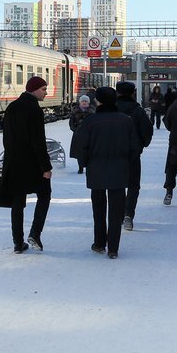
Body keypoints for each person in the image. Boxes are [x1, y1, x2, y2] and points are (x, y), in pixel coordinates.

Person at [72, 86, 141, 259]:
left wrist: (86, 163)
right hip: (119, 170)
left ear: (99, 101)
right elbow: (135, 148)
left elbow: (81, 148)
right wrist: (125, 161)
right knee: (117, 210)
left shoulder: (90, 121)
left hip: (96, 170)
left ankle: (99, 243)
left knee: (99, 208)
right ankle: (113, 249)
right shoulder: (126, 121)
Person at [2, 76, 53, 254]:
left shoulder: (12, 107)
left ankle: (17, 243)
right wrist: (46, 167)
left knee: (17, 201)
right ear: (33, 89)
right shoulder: (34, 110)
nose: (46, 93)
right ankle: (35, 233)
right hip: (32, 164)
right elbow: (38, 142)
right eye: (43, 89)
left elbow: (6, 138)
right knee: (45, 194)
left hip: (13, 162)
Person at [115, 81, 154, 231]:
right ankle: (128, 215)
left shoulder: (111, 110)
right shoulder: (138, 111)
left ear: (117, 92)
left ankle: (117, 215)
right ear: (133, 93)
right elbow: (147, 131)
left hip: (113, 154)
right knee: (133, 185)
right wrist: (140, 146)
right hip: (132, 155)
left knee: (116, 186)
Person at [68, 95, 94, 174]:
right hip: (78, 135)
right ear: (80, 102)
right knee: (79, 152)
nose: (84, 103)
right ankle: (80, 168)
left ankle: (89, 167)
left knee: (89, 151)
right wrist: (74, 129)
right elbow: (71, 122)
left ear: (88, 103)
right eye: (83, 101)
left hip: (89, 135)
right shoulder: (75, 111)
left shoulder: (92, 112)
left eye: (86, 101)